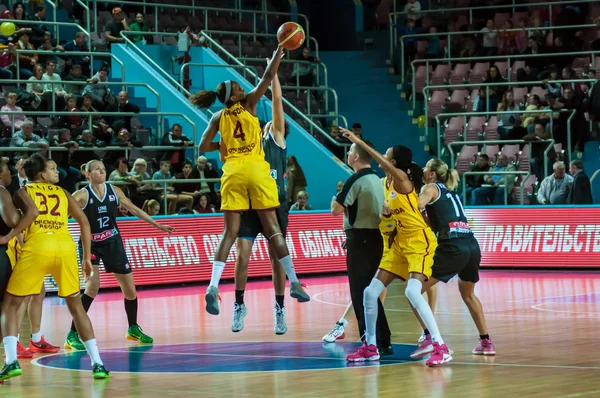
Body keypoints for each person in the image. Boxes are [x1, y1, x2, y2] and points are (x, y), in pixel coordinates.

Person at [190, 44, 308, 315]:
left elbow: (202, 147)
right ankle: (296, 282)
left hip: (231, 172)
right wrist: (278, 52)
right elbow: (267, 78)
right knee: (274, 230)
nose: (244, 89)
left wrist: (224, 146)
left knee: (228, 234)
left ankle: (213, 286)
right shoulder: (249, 104)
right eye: (239, 88)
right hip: (256, 169)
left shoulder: (218, 115)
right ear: (234, 96)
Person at [0, 155, 109, 380]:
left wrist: (10, 235)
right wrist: (87, 257)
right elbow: (84, 222)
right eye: (53, 168)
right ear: (42, 174)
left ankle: (11, 361)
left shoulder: (22, 192)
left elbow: (28, 216)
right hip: (66, 248)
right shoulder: (63, 193)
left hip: (38, 247)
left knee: (10, 304)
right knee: (76, 307)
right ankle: (97, 363)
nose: (58, 172)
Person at [341, 129, 439, 363]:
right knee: (370, 292)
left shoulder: (403, 181)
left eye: (386, 155)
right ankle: (371, 347)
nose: (382, 156)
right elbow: (392, 216)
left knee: (412, 291)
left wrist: (359, 142)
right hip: (399, 243)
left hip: (418, 241)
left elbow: (382, 162)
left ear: (392, 162)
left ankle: (437, 343)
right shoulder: (385, 184)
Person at [63, 160, 175, 350]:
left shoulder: (114, 190)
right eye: (97, 169)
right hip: (91, 245)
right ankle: (72, 334)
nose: (102, 171)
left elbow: (134, 209)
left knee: (130, 290)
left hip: (113, 242)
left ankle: (133, 328)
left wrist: (157, 224)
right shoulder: (81, 195)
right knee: (91, 288)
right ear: (88, 174)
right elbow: (62, 216)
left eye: (104, 168)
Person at [232, 65, 308, 336]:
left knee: (276, 259)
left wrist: (274, 72)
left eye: (271, 123)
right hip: (249, 206)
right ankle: (239, 304)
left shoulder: (276, 139)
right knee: (242, 257)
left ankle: (279, 309)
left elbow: (275, 101)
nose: (266, 124)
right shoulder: (249, 143)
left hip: (275, 206)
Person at [413, 159, 495, 366]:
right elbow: (432, 223)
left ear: (432, 174)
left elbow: (418, 204)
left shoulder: (430, 187)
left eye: (426, 167)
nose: (423, 170)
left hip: (453, 246)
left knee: (413, 290)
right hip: (471, 244)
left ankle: (431, 339)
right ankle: (486, 342)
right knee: (468, 294)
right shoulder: (451, 193)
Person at [329, 137, 393, 356]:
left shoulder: (354, 180)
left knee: (359, 293)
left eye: (349, 152)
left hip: (360, 239)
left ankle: (370, 340)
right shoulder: (377, 179)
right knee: (370, 292)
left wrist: (335, 198)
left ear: (356, 157)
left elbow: (335, 210)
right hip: (375, 237)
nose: (347, 155)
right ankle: (383, 341)